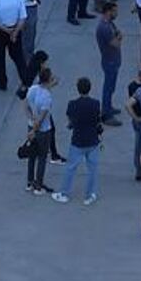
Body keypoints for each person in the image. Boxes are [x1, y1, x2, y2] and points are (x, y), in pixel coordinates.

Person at [54, 77, 104, 205]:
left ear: (78, 89)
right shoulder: (96, 103)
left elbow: (71, 121)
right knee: (92, 169)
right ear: (89, 88)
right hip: (93, 140)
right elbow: (97, 119)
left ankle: (64, 193)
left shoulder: (72, 104)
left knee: (71, 168)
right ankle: (89, 195)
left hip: (78, 140)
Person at [24, 67, 57, 194]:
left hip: (30, 124)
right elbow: (42, 119)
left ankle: (29, 182)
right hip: (43, 131)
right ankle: (38, 186)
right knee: (42, 157)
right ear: (48, 79)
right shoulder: (47, 97)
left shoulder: (33, 89)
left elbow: (25, 105)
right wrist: (34, 129)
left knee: (32, 155)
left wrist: (31, 118)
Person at [94, 0, 124, 123]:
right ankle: (106, 115)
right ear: (108, 12)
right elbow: (116, 44)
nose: (116, 13)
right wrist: (120, 37)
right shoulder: (104, 28)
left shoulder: (110, 24)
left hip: (113, 60)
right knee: (108, 87)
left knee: (111, 87)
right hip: (109, 61)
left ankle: (108, 107)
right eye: (114, 11)